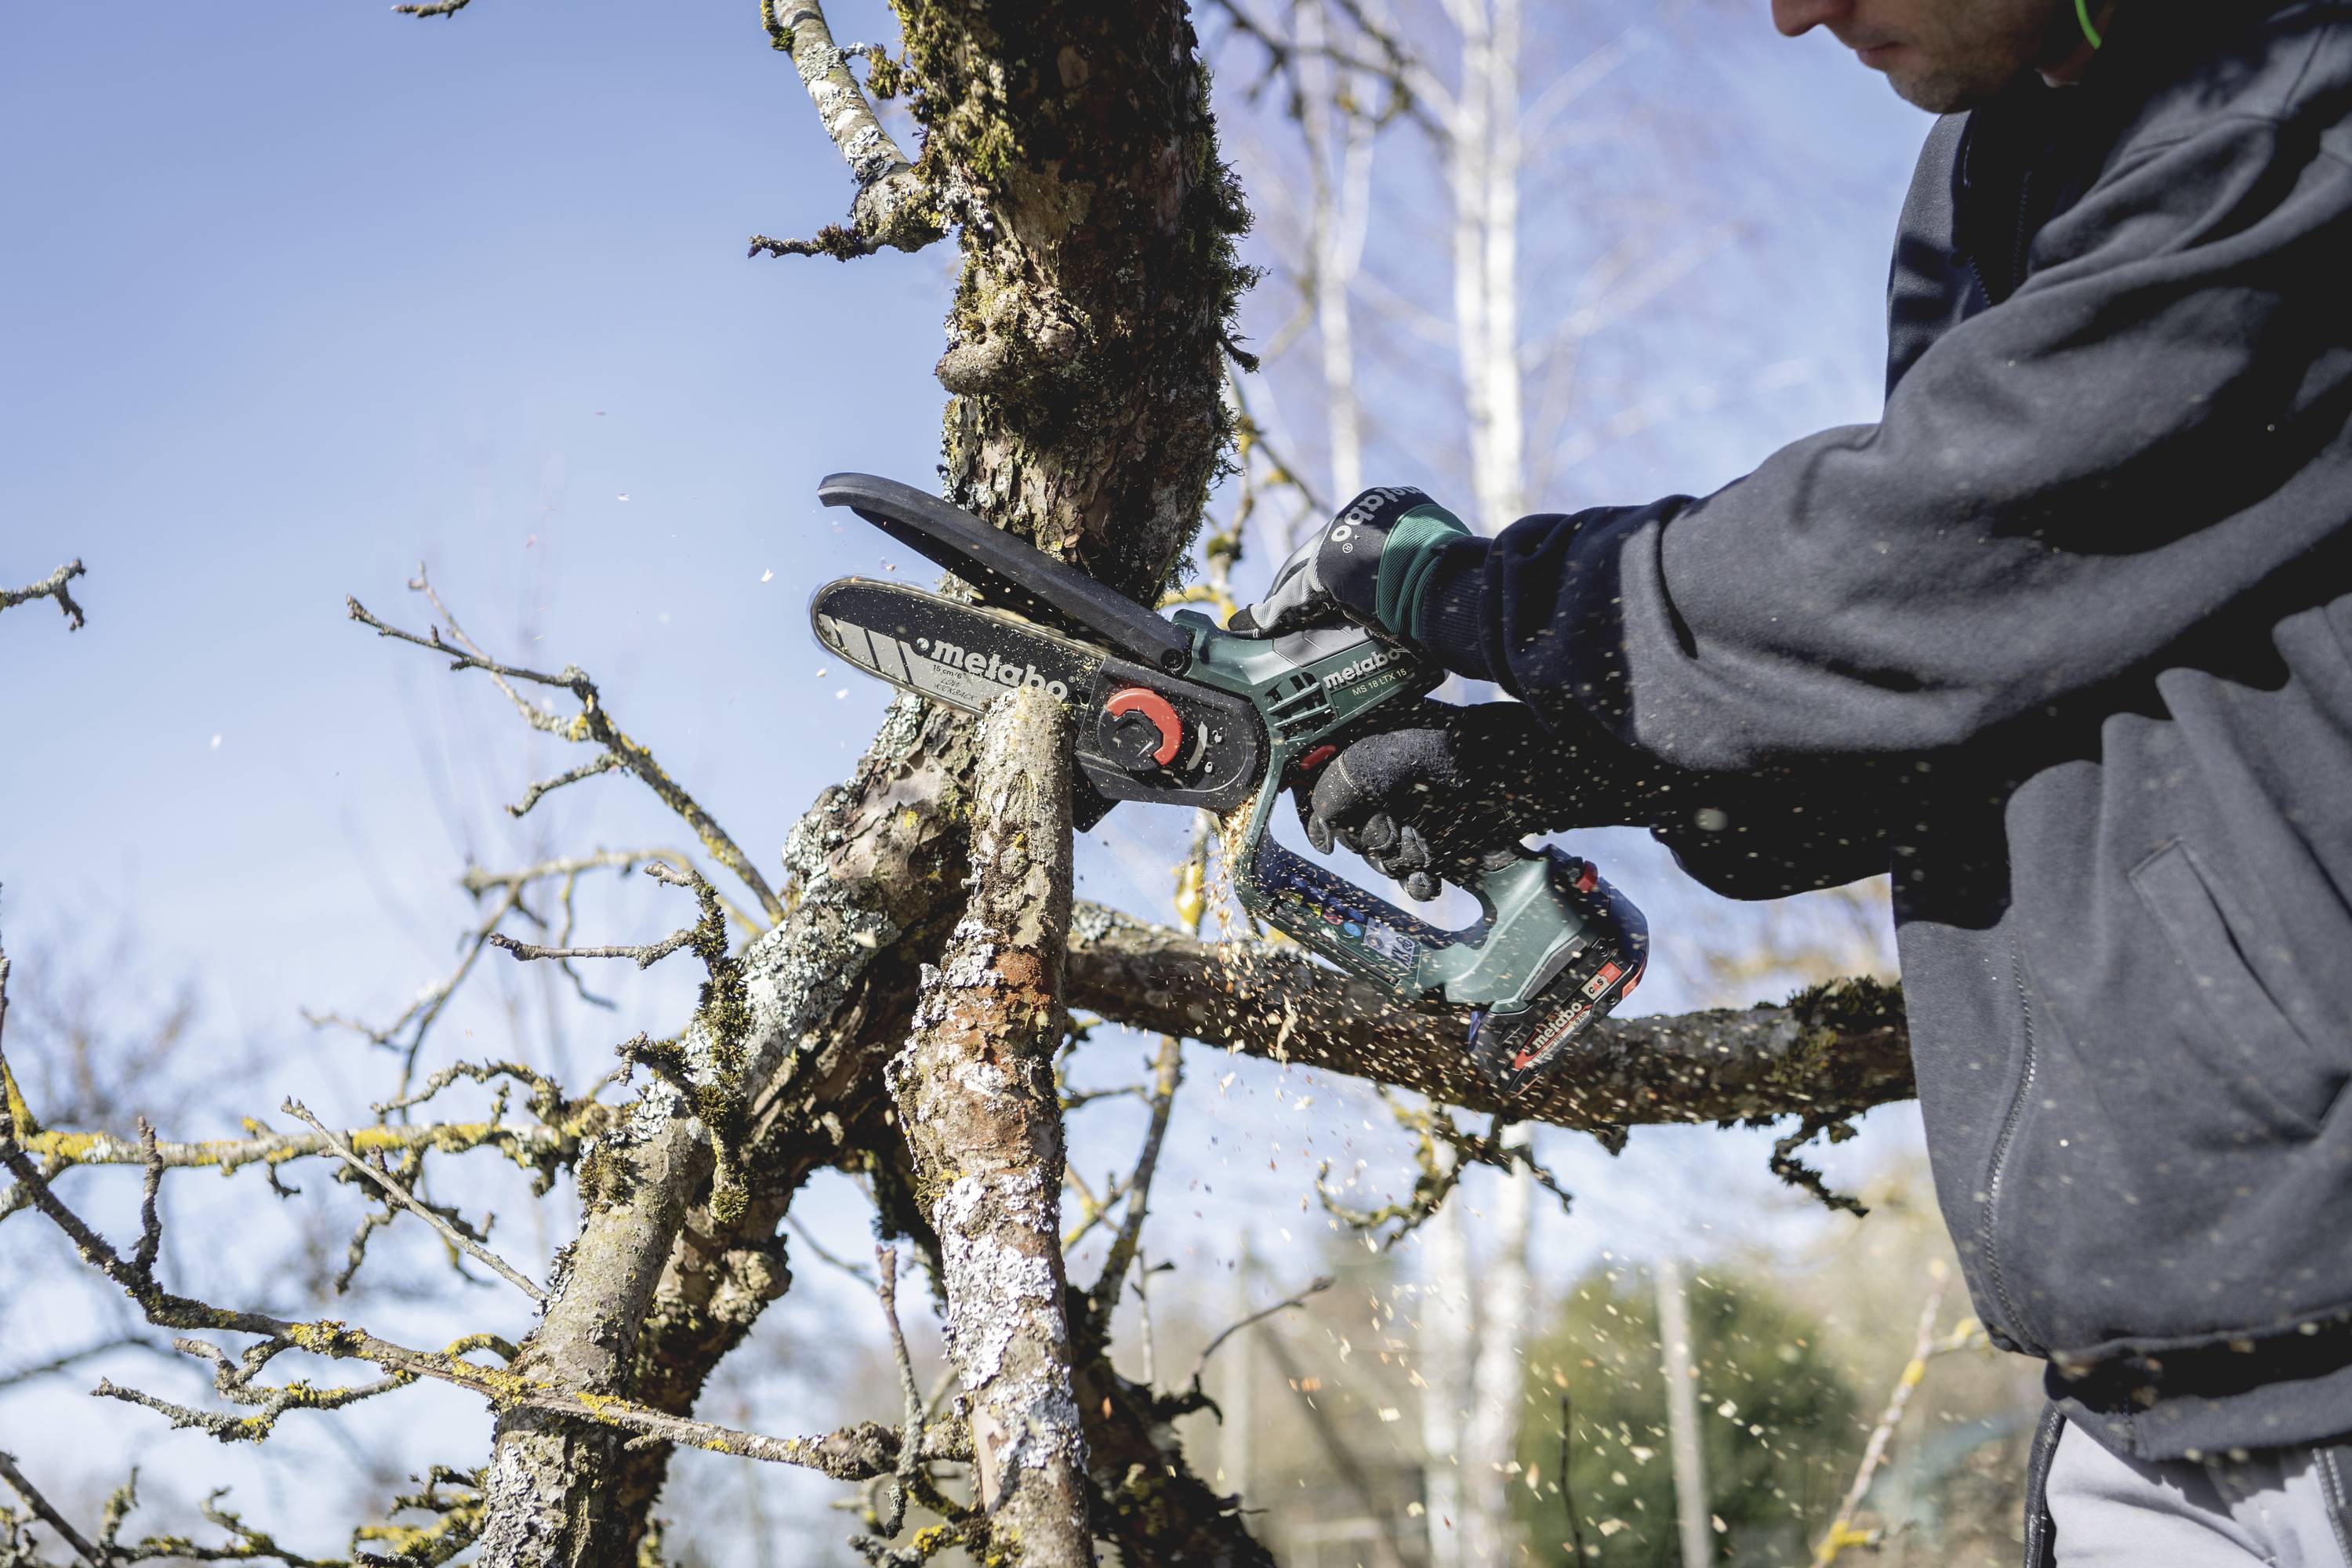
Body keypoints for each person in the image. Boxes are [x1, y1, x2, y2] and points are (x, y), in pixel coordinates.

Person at [1228, 0, 2352, 1562]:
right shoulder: (1985, 164)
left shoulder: (2294, 105)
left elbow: (1912, 564)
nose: (1794, 11)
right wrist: (1538, 765)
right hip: (2139, 1395)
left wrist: (1472, 594)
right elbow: (1960, 687)